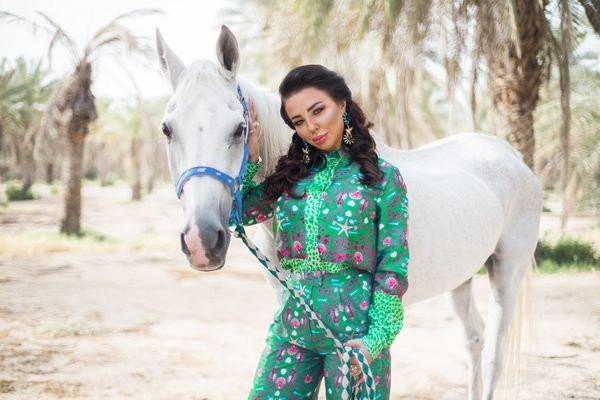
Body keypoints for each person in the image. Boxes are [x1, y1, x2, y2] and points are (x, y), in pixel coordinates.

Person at [242, 64, 409, 399]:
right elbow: (242, 214)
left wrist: (375, 340)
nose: (311, 127)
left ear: (342, 104)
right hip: (293, 325)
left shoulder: (382, 179)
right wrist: (254, 159)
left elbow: (393, 265)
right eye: (298, 121)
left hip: (355, 335)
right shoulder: (291, 178)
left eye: (317, 110)